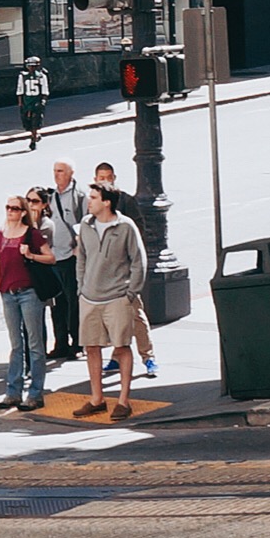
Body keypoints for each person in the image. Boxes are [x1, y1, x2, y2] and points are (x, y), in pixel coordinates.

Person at [74, 183, 148, 419]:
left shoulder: (125, 226)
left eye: (94, 197)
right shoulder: (86, 225)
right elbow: (81, 258)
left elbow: (139, 261)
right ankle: (97, 399)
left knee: (122, 347)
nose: (89, 201)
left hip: (117, 297)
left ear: (106, 202)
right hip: (90, 298)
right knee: (92, 347)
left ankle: (124, 401)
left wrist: (130, 293)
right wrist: (81, 289)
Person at [87, 162, 157, 380]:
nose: (104, 181)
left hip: (123, 273)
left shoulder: (125, 201)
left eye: (108, 177)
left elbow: (139, 234)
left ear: (114, 178)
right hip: (102, 275)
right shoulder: (92, 206)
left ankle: (148, 357)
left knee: (135, 315)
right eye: (101, 177)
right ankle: (118, 357)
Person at [0, 197, 51, 411]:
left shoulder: (31, 234)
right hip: (8, 294)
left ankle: (35, 393)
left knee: (34, 344)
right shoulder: (2, 235)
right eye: (7, 207)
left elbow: (51, 258)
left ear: (23, 212)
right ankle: (13, 392)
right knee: (16, 344)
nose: (10, 211)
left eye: (14, 208)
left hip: (29, 292)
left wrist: (31, 254)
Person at [41, 161, 88, 362]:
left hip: (70, 257)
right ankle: (60, 344)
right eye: (54, 171)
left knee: (73, 302)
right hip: (53, 257)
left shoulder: (79, 196)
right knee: (56, 304)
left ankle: (77, 343)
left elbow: (86, 222)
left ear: (70, 173)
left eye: (60, 171)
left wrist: (80, 246)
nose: (56, 175)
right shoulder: (50, 195)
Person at [16, 61, 50, 150]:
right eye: (30, 66)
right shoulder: (22, 76)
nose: (32, 68)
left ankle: (33, 140)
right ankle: (34, 134)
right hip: (26, 101)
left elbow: (45, 89)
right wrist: (20, 102)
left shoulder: (42, 76)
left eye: (34, 66)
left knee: (35, 121)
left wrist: (43, 101)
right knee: (26, 121)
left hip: (36, 101)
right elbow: (20, 89)